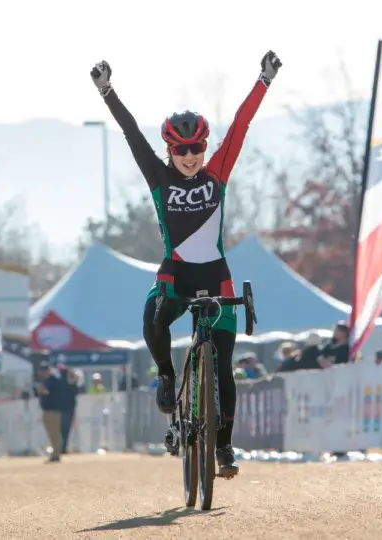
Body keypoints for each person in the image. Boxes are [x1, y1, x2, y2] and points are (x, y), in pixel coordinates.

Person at [90, 50, 282, 476]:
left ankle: (225, 449)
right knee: (151, 318)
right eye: (182, 149)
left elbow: (241, 126)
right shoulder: (159, 178)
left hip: (218, 275)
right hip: (175, 273)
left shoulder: (217, 173)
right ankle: (164, 375)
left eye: (197, 147)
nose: (191, 156)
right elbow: (130, 134)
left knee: (224, 368)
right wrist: (107, 91)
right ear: (170, 150)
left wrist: (263, 81)